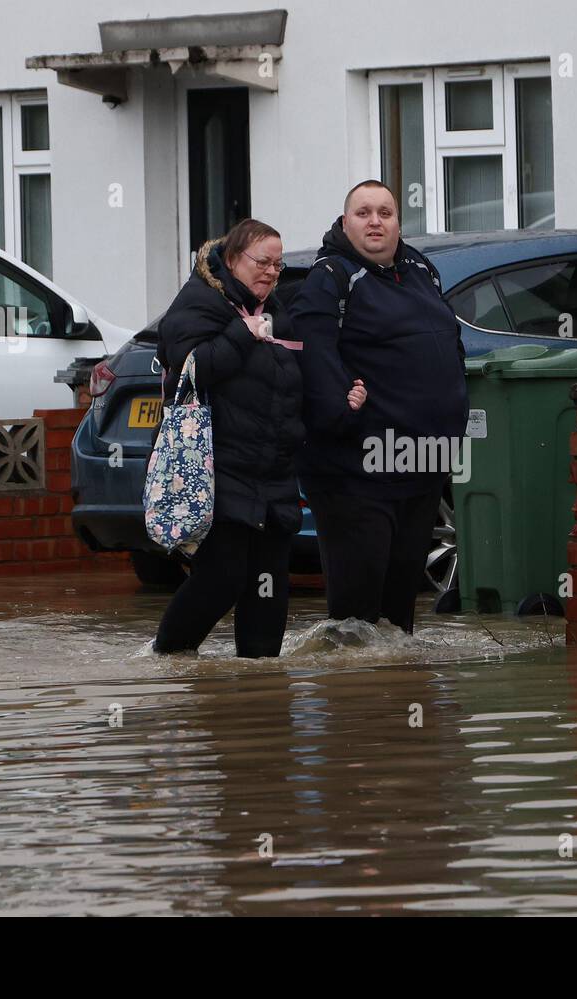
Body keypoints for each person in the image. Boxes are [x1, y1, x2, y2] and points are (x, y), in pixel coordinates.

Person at [291, 180, 469, 634]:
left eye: (385, 212)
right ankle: (355, 702)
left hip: (421, 463)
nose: (375, 221)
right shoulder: (329, 278)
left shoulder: (420, 269)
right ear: (345, 221)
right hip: (356, 471)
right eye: (364, 212)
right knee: (356, 619)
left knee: (397, 621)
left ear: (398, 221)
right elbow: (315, 356)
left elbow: (449, 344)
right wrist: (343, 418)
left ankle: (394, 696)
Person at [152, 219, 318, 657]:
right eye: (261, 262)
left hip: (273, 471)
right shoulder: (198, 303)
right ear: (231, 259)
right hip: (217, 469)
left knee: (269, 587)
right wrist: (242, 334)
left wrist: (343, 398)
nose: (270, 273)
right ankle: (169, 659)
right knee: (222, 577)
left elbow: (294, 380)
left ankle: (260, 692)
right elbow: (195, 367)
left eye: (278, 266)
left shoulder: (275, 311)